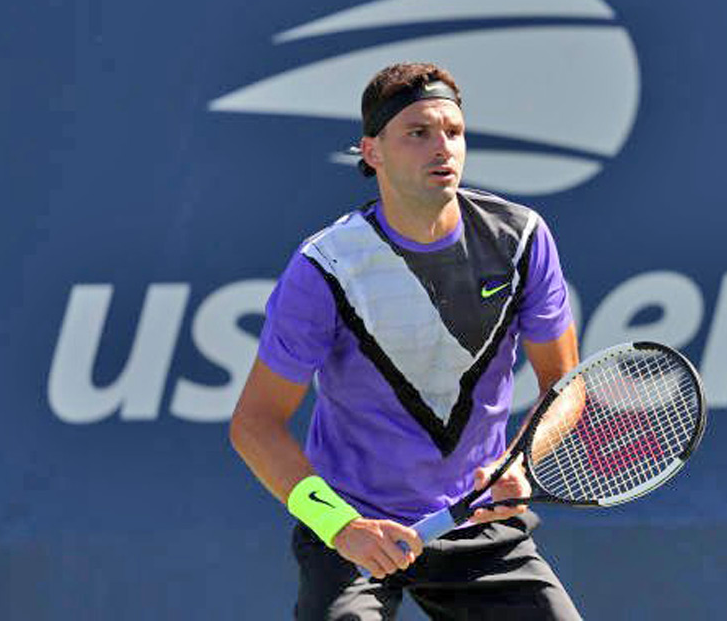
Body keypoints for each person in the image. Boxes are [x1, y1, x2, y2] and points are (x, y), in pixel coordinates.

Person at [230, 62, 583, 620]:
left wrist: (517, 461)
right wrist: (338, 524)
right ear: (372, 152)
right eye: (418, 133)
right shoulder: (326, 266)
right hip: (354, 527)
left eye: (453, 132)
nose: (442, 147)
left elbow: (565, 386)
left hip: (477, 523)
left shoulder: (520, 239)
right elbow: (255, 423)